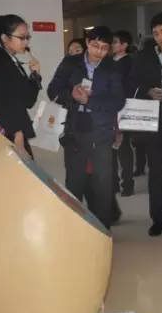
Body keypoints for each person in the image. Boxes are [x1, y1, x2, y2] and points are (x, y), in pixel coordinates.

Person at [47, 26, 125, 229]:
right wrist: (71, 95)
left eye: (104, 48)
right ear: (87, 43)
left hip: (101, 130)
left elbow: (118, 101)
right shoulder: (70, 63)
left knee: (102, 183)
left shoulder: (112, 68)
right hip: (75, 128)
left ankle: (103, 230)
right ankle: (74, 228)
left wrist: (89, 101)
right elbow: (53, 90)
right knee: (75, 181)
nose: (99, 52)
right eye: (95, 46)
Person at [128, 12, 162, 236]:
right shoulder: (143, 57)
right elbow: (132, 82)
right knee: (156, 175)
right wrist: (147, 91)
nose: (161, 37)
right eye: (156, 33)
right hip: (152, 126)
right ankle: (157, 219)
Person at [0, 14, 42, 158]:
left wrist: (35, 76)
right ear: (5, 38)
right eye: (22, 37)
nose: (26, 42)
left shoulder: (11, 60)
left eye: (28, 37)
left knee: (21, 168)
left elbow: (28, 101)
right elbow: (0, 102)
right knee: (15, 168)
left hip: (14, 128)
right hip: (8, 129)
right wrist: (17, 134)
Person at [112, 30, 136, 197]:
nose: (112, 45)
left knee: (123, 146)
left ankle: (127, 183)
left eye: (115, 42)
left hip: (123, 107)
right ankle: (113, 182)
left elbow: (131, 86)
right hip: (108, 108)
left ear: (124, 45)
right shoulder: (108, 61)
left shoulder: (130, 62)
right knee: (109, 147)